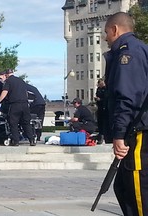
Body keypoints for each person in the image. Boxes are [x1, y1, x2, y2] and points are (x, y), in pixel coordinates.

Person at [104, 12, 148, 216]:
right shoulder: (140, 49)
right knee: (122, 186)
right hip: (137, 128)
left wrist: (119, 135)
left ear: (115, 30)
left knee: (137, 193)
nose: (106, 38)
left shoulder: (127, 54)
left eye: (106, 33)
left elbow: (127, 97)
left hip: (137, 131)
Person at [0, 69, 35, 146]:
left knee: (13, 123)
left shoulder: (8, 81)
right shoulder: (21, 81)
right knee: (26, 123)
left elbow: (5, 92)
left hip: (15, 105)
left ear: (6, 75)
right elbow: (26, 93)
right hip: (25, 104)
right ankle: (32, 140)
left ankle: (16, 141)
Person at [94, 78, 106, 144]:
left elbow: (106, 98)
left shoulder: (105, 89)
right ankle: (100, 134)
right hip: (100, 107)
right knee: (100, 122)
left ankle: (103, 135)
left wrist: (100, 99)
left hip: (104, 107)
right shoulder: (98, 89)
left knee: (103, 122)